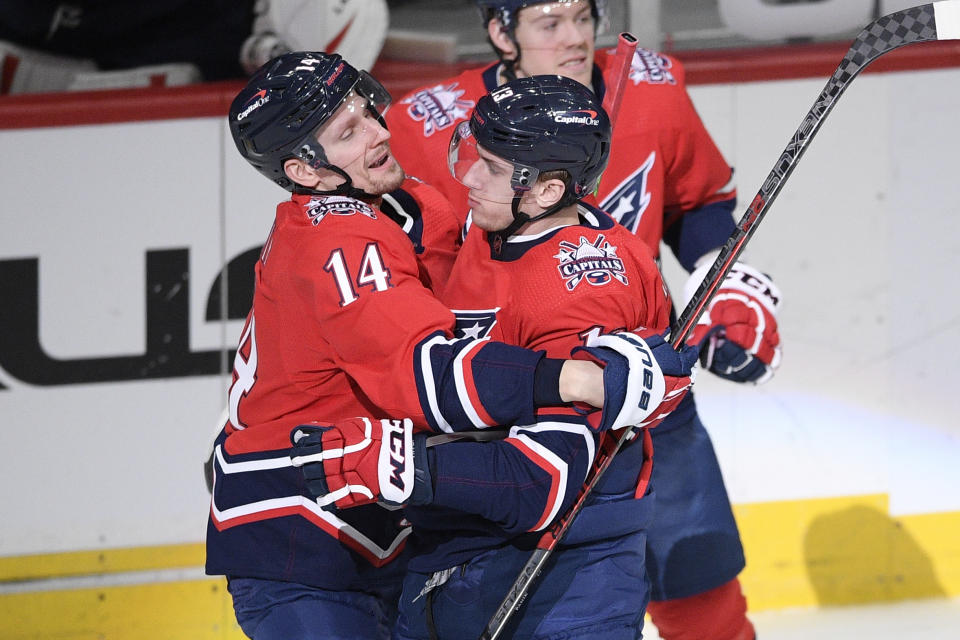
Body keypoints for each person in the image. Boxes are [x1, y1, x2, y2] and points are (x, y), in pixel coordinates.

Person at [207, 50, 696, 640]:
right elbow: (430, 380)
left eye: (368, 111)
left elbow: (522, 267)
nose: (381, 133)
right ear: (306, 171)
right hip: (296, 534)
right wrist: (579, 377)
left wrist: (626, 331)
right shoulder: (338, 244)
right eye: (348, 131)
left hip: (379, 533)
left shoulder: (406, 206)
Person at [385, 2, 784, 639]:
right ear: (500, 33)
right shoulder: (429, 126)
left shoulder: (652, 88)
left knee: (699, 585)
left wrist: (727, 289)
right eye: (549, 23)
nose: (573, 39)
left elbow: (697, 203)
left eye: (583, 16)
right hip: (516, 408)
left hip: (643, 388)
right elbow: (376, 264)